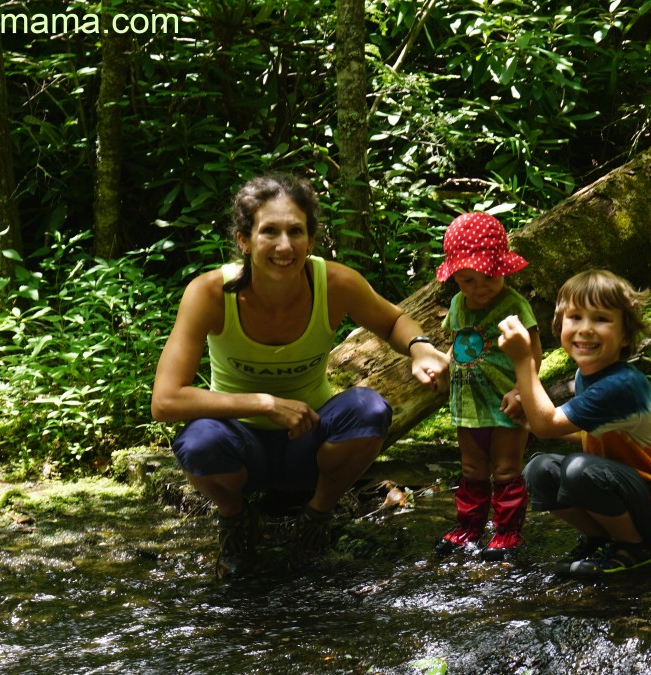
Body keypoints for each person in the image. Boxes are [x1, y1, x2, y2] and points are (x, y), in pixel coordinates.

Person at [151, 173, 448, 579]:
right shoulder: (209, 294)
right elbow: (166, 400)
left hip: (308, 443)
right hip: (239, 447)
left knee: (370, 409)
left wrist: (419, 348)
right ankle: (236, 521)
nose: (284, 246)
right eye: (269, 231)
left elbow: (393, 320)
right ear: (243, 239)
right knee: (198, 442)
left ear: (311, 239)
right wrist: (264, 404)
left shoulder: (336, 282)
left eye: (296, 231)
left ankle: (317, 518)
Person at [497, 269, 651, 577]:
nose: (585, 329)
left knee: (578, 470)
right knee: (539, 469)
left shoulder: (620, 384)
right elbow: (585, 433)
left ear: (625, 334)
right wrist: (528, 419)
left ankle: (633, 549)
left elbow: (549, 426)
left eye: (601, 319)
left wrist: (523, 361)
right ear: (560, 326)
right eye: (575, 317)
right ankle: (602, 539)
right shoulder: (585, 376)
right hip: (630, 489)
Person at [433, 212, 542, 561]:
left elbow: (535, 354)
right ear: (455, 278)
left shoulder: (514, 305)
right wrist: (443, 365)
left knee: (506, 469)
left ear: (503, 269)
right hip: (468, 403)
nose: (479, 289)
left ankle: (507, 532)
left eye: (488, 279)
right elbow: (460, 342)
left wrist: (523, 391)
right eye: (467, 281)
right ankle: (469, 528)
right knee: (471, 469)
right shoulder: (457, 304)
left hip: (507, 401)